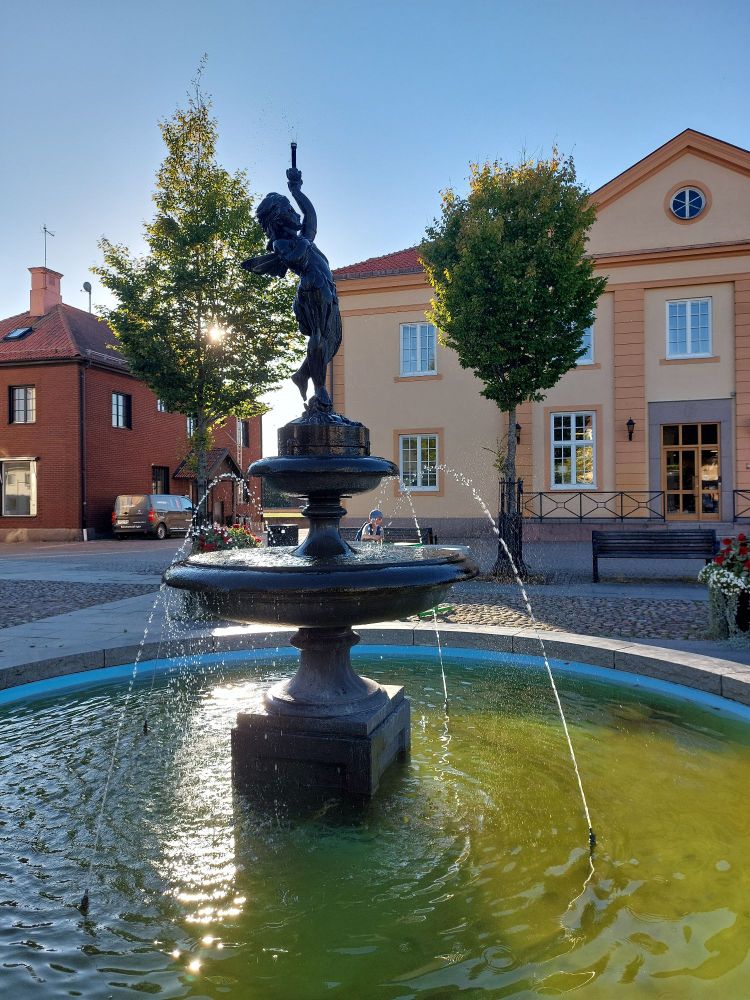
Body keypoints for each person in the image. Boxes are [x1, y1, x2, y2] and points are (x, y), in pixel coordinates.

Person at [242, 164, 342, 416]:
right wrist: (303, 238)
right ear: (278, 218)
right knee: (319, 337)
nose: (295, 213)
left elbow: (311, 218)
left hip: (326, 288)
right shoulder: (281, 243)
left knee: (332, 339)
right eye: (289, 210)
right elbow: (297, 257)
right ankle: (320, 390)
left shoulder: (299, 238)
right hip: (312, 289)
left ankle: (302, 375)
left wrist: (296, 191)